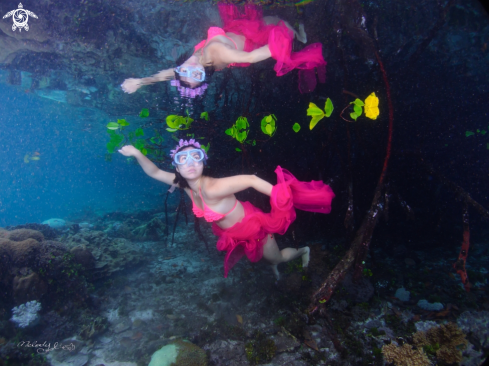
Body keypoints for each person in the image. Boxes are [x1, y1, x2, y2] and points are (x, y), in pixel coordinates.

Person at [118, 139, 335, 279]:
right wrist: (137, 153)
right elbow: (155, 172)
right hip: (233, 232)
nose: (190, 163)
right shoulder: (184, 185)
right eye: (182, 159)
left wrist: (279, 195)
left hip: (255, 228)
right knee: (263, 260)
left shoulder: (213, 187)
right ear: (177, 167)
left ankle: (303, 251)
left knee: (276, 258)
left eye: (196, 157)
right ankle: (271, 263)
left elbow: (251, 179)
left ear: (204, 162)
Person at [121, 4, 326, 96]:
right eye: (196, 74)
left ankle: (293, 33)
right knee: (278, 23)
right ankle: (299, 35)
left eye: (184, 72)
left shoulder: (191, 63)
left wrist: (140, 82)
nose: (190, 68)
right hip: (248, 42)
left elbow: (168, 75)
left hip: (235, 34)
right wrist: (280, 45)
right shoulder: (217, 52)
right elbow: (252, 57)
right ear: (204, 73)